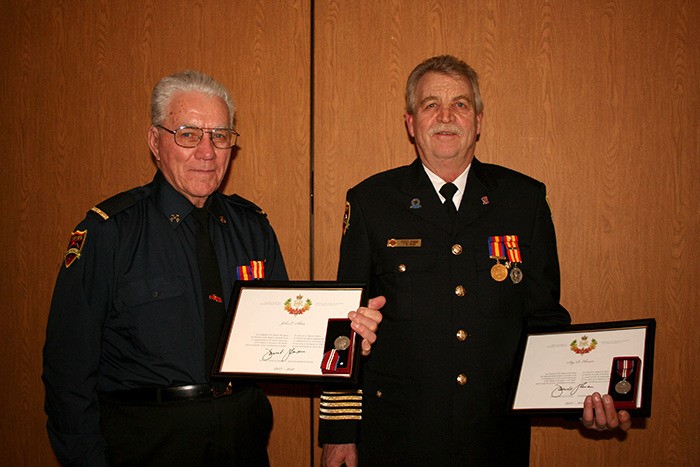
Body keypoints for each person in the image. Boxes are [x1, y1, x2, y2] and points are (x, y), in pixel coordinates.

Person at [42, 70, 382, 466]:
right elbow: (67, 372)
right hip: (145, 442)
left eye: (220, 136)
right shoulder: (110, 233)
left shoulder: (252, 227)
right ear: (156, 141)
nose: (207, 151)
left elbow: (288, 334)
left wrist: (346, 337)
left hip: (241, 438)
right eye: (188, 134)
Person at [319, 55, 631, 466]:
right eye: (431, 104)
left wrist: (581, 397)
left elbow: (543, 317)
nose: (446, 116)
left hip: (494, 437)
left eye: (461, 104)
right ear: (411, 123)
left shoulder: (524, 200)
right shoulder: (370, 202)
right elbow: (345, 326)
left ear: (478, 121)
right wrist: (340, 433)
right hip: (398, 436)